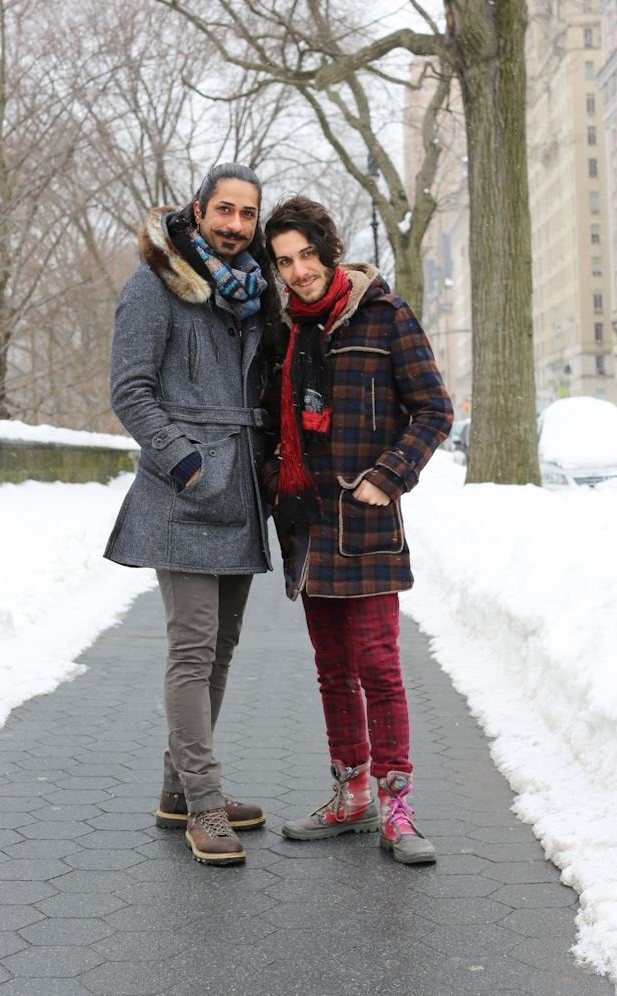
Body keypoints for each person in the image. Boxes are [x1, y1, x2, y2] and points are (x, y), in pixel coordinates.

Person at [262, 196, 453, 864]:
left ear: (329, 250)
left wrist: (389, 475)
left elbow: (433, 409)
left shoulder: (385, 314)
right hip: (309, 525)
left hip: (366, 522)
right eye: (284, 261)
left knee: (379, 666)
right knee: (333, 670)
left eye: (307, 255)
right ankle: (351, 793)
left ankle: (397, 806)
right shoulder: (282, 328)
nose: (298, 271)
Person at [104, 163, 280, 867]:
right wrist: (185, 462)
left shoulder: (252, 294)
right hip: (184, 494)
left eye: (248, 214)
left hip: (240, 494)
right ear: (198, 210)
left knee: (223, 646)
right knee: (192, 647)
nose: (236, 225)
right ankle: (205, 803)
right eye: (225, 211)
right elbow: (129, 389)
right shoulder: (154, 285)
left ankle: (178, 790)